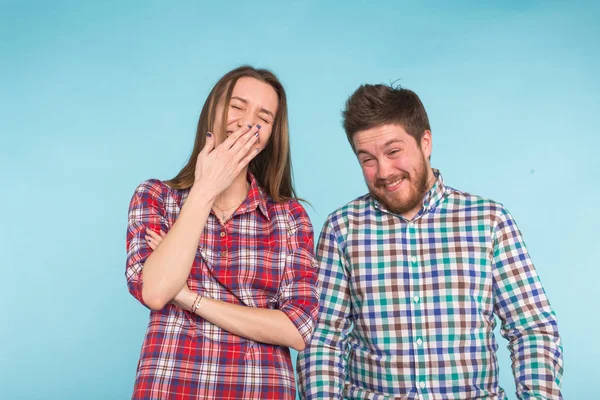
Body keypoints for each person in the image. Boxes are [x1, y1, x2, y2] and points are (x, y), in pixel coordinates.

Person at [297, 83, 563, 399]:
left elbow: (532, 330)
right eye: (367, 159)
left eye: (394, 152)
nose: (383, 171)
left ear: (425, 142)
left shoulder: (489, 221)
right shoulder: (342, 228)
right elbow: (324, 340)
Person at [125, 66, 320, 400]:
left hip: (260, 389)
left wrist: (189, 298)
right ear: (212, 111)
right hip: (171, 385)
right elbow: (156, 292)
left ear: (272, 134)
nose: (247, 123)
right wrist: (204, 191)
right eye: (237, 106)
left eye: (264, 116)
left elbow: (297, 329)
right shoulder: (155, 197)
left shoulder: (290, 217)